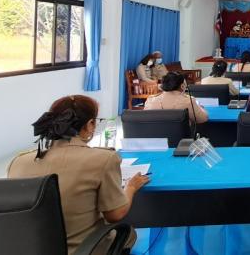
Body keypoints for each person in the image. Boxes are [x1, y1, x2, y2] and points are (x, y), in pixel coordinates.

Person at [8, 95, 149, 255]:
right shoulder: (104, 159)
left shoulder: (18, 162)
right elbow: (115, 215)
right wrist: (131, 187)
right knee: (129, 234)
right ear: (90, 124)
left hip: (32, 249)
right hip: (84, 250)